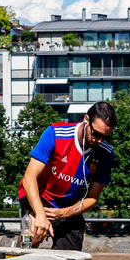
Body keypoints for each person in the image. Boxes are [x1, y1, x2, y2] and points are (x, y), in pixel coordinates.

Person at [17, 101, 115, 251]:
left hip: (69, 205)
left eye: (106, 137)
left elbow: (92, 198)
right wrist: (40, 214)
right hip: (41, 194)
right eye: (96, 134)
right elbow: (29, 178)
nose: (99, 140)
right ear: (86, 120)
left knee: (68, 258)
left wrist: (63, 213)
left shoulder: (106, 153)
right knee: (35, 230)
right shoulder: (55, 134)